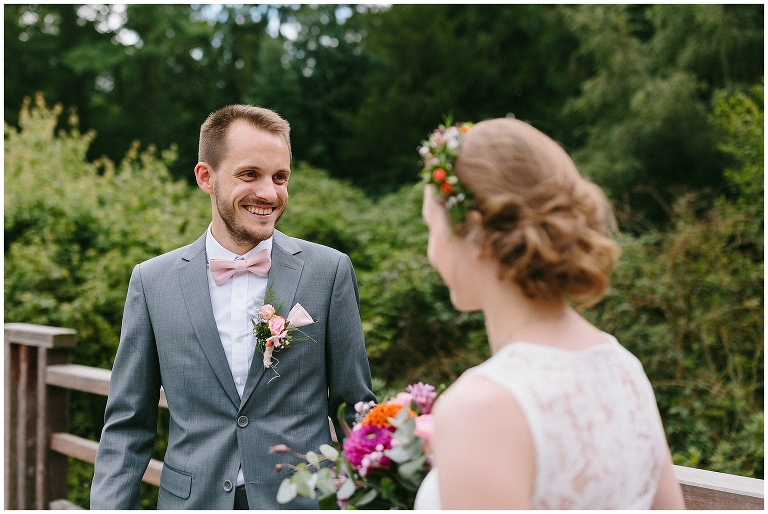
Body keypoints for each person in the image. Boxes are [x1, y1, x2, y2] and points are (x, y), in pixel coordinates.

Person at [91, 104, 376, 509]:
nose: (269, 193)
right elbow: (126, 427)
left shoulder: (328, 272)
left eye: (280, 177)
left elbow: (354, 410)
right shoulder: (152, 282)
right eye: (249, 175)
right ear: (206, 177)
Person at [413, 118, 686, 509]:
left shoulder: (481, 409)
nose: (430, 251)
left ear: (475, 234)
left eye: (430, 228)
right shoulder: (624, 370)